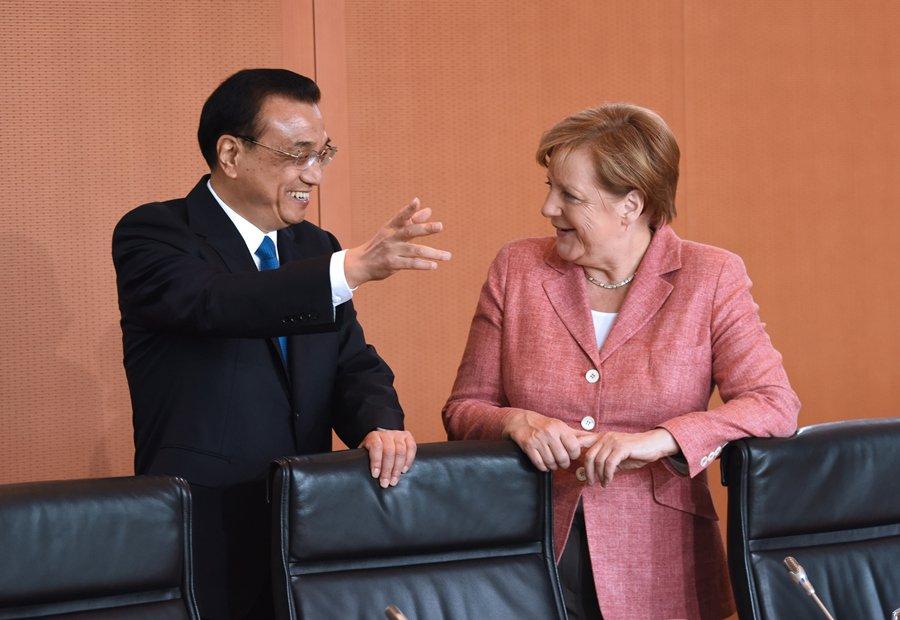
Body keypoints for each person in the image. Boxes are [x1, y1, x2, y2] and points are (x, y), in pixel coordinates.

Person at [113, 68, 450, 619]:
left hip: (308, 521)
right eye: (297, 154)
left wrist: (379, 424)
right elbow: (216, 302)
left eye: (322, 154)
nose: (313, 175)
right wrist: (347, 270)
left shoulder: (314, 247)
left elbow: (350, 362)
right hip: (204, 526)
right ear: (231, 153)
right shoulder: (155, 233)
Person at [442, 103, 800, 619]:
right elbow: (463, 409)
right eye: (549, 187)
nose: (548, 207)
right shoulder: (517, 267)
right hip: (521, 551)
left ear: (631, 204)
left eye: (569, 195)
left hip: (661, 560)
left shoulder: (711, 276)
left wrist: (665, 438)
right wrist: (516, 422)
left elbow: (773, 404)